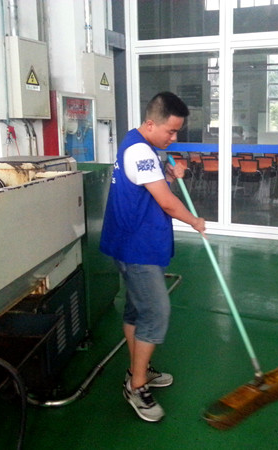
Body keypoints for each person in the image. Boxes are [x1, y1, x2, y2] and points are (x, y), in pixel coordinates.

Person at [100, 92, 206, 423]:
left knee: (137, 310)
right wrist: (194, 220)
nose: (173, 138)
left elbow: (150, 187)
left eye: (177, 132)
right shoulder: (140, 152)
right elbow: (167, 203)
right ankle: (136, 385)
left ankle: (139, 369)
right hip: (137, 248)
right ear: (150, 124)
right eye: (170, 131)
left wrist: (170, 176)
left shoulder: (140, 144)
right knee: (156, 312)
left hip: (132, 242)